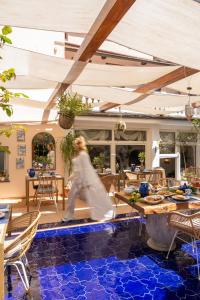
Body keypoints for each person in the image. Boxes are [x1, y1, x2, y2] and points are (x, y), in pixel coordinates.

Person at [62, 136, 115, 222]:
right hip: (77, 180)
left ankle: (103, 212)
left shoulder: (83, 154)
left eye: (75, 145)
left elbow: (87, 169)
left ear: (78, 145)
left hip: (82, 180)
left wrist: (86, 182)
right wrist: (71, 177)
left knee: (90, 198)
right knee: (71, 197)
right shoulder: (79, 154)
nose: (74, 146)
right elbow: (78, 169)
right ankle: (69, 215)